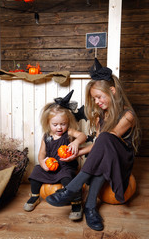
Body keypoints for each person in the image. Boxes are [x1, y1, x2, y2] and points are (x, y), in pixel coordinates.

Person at [46, 58, 141, 231]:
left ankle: (73, 188)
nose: (96, 102)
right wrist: (79, 152)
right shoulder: (99, 116)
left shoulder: (128, 115)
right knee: (103, 148)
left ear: (112, 91)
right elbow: (99, 145)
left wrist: (82, 151)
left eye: (99, 97)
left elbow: (107, 141)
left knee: (105, 139)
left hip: (121, 158)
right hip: (107, 158)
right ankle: (90, 207)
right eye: (94, 98)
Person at [24, 90, 87, 221]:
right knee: (35, 172)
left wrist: (76, 142)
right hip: (51, 166)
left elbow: (83, 136)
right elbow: (41, 154)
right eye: (55, 124)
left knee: (68, 179)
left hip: (65, 166)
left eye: (63, 124)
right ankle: (34, 196)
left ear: (67, 123)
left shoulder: (68, 132)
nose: (59, 127)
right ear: (48, 124)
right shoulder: (46, 137)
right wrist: (42, 163)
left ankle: (76, 204)